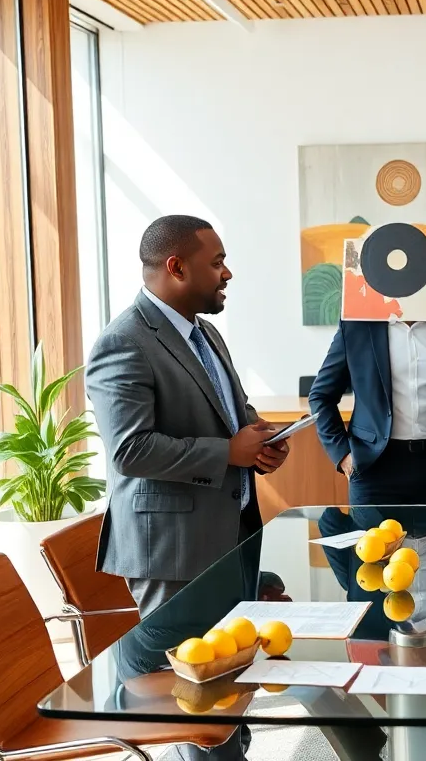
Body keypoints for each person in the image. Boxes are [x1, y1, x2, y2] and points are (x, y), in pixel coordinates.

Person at [86, 214, 289, 616]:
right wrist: (228, 453)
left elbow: (233, 415)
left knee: (236, 669)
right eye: (216, 263)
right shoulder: (123, 341)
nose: (227, 273)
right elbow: (129, 450)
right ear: (176, 267)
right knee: (179, 675)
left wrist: (262, 442)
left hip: (236, 532)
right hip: (174, 552)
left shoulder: (206, 334)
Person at [308, 305, 426, 544]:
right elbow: (321, 396)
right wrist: (342, 454)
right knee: (370, 569)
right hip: (373, 469)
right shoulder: (356, 324)